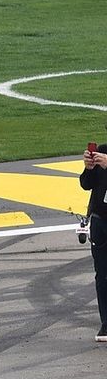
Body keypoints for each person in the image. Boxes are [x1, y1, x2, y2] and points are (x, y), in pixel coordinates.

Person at [81, 142, 107, 341]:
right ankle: (106, 323)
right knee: (102, 274)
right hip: (100, 220)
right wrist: (88, 168)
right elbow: (85, 184)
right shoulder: (102, 150)